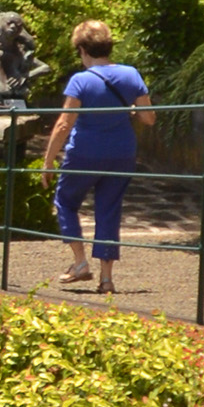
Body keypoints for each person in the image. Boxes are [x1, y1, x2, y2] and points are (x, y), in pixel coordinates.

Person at [46, 19, 154, 296]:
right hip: (121, 153)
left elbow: (63, 125)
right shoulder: (131, 75)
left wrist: (48, 161)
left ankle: (80, 262)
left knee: (65, 201)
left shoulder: (80, 80)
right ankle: (106, 280)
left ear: (82, 49)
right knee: (109, 210)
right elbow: (149, 118)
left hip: (84, 152)